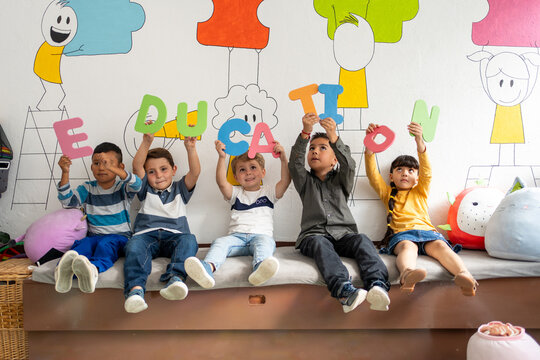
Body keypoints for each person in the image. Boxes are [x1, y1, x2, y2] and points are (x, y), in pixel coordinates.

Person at [288, 113, 391, 313]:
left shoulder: (342, 179)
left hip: (344, 234)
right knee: (320, 242)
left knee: (362, 239)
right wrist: (305, 133)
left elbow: (349, 164)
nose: (315, 152)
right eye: (312, 148)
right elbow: (295, 163)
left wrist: (333, 136)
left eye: (322, 148)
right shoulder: (305, 181)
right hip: (314, 235)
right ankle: (344, 290)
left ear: (334, 159)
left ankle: (377, 285)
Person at [365, 122, 478, 296]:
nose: (404, 173)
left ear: (417, 178)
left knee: (441, 246)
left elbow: (427, 172)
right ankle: (407, 274)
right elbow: (372, 174)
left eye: (411, 170)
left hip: (428, 233)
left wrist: (419, 141)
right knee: (407, 248)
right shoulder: (387, 192)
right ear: (391, 177)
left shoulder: (421, 191)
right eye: (399, 170)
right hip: (402, 235)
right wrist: (370, 147)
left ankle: (465, 276)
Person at [184, 140, 291, 288]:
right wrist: (222, 157)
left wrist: (283, 158)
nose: (248, 172)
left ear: (263, 172)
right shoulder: (236, 193)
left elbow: (285, 182)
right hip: (236, 238)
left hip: (261, 236)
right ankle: (207, 268)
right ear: (235, 177)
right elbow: (221, 182)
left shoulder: (269, 192)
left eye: (253, 167)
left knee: (266, 243)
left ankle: (260, 269)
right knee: (220, 242)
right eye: (242, 170)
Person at [123, 131, 200, 313]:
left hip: (175, 236)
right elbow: (136, 166)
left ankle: (175, 279)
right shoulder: (144, 189)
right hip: (146, 236)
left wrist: (191, 149)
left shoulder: (181, 188)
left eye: (163, 169)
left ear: (173, 170)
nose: (158, 175)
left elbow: (195, 172)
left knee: (190, 240)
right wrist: (146, 142)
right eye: (151, 172)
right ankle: (135, 290)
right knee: (134, 247)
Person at [55, 142, 142, 294]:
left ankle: (93, 270)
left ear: (119, 167)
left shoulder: (123, 187)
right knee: (81, 247)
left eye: (107, 164)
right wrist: (65, 173)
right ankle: (64, 272)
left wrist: (114, 169)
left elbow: (137, 184)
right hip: (94, 236)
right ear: (91, 167)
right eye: (96, 163)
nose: (101, 168)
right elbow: (67, 202)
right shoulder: (87, 188)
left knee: (105, 246)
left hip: (119, 238)